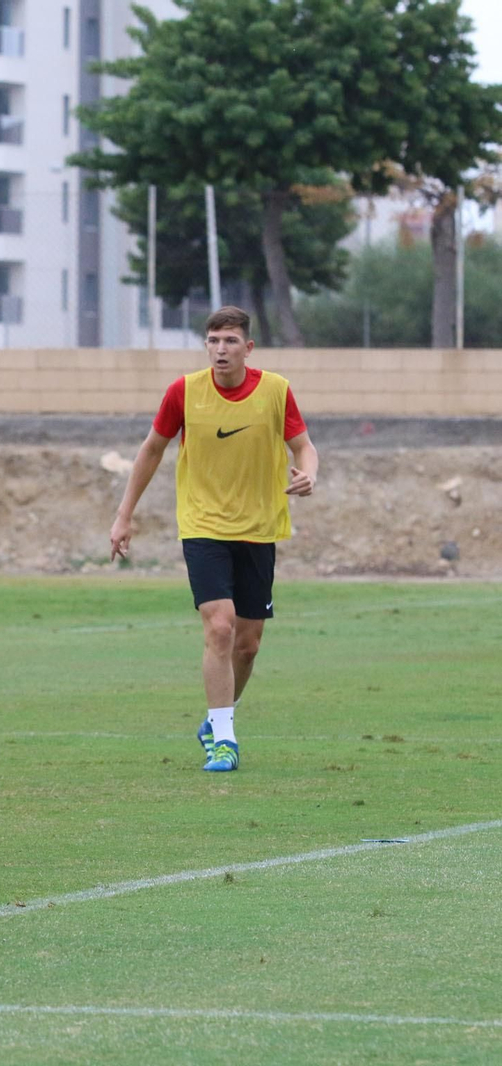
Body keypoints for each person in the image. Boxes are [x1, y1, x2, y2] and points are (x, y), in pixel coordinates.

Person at [109, 305, 318, 773]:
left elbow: (303, 445)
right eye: (213, 341)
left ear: (248, 347)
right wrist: (124, 516)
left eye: (229, 341)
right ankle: (224, 740)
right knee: (219, 627)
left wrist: (310, 473)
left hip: (259, 527)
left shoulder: (276, 391)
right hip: (202, 526)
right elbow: (151, 450)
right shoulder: (184, 392)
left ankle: (216, 718)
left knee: (248, 644)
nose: (220, 350)